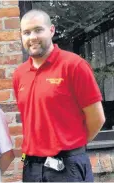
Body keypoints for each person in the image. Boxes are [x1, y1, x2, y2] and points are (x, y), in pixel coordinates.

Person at [13, 9, 106, 182]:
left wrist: (71, 145)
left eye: (38, 30)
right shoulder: (19, 74)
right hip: (32, 168)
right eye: (26, 32)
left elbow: (97, 118)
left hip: (67, 167)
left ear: (51, 30)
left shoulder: (73, 65)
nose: (32, 37)